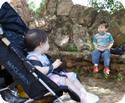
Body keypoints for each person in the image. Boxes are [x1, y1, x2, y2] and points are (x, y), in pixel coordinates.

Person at [24, 29, 99, 103]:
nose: (48, 45)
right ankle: (83, 99)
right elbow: (38, 71)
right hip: (45, 81)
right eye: (47, 43)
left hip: (51, 76)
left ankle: (84, 93)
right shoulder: (33, 57)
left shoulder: (41, 55)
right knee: (65, 80)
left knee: (71, 75)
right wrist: (53, 66)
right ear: (41, 44)